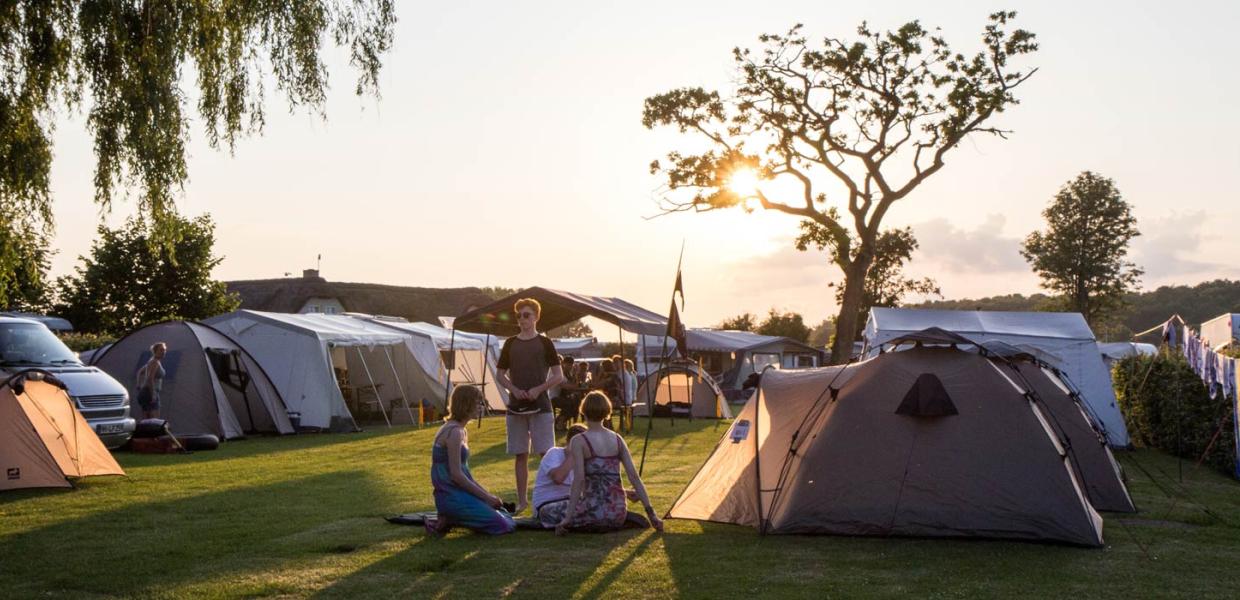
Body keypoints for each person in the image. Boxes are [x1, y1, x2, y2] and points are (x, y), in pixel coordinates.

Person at [556, 391, 663, 534]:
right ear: (607, 412)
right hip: (617, 513)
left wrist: (567, 519)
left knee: (548, 512)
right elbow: (634, 477)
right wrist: (652, 514)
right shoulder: (618, 440)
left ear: (584, 411)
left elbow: (579, 480)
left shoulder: (579, 441)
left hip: (593, 512)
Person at [496, 298, 566, 515]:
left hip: (541, 406)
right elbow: (500, 375)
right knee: (520, 454)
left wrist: (538, 389)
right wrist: (514, 390)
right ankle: (522, 501)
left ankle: (548, 498)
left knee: (546, 454)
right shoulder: (510, 343)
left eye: (526, 315)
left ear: (536, 317)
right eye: (519, 316)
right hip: (516, 406)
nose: (522, 319)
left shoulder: (545, 343)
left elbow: (558, 376)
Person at [426, 385, 515, 536]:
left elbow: (465, 473)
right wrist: (486, 497)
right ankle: (450, 517)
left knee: (502, 512)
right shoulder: (453, 432)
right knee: (503, 525)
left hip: (457, 492)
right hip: (450, 495)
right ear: (466, 404)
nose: (481, 406)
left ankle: (449, 519)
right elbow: (456, 475)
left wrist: (488, 496)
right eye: (478, 403)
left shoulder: (461, 430)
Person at [533, 424, 587, 528]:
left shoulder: (584, 459)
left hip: (571, 502)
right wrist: (574, 455)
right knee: (587, 511)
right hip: (547, 504)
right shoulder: (554, 453)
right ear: (568, 442)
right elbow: (558, 478)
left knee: (596, 505)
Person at [135, 342, 167, 419]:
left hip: (145, 392)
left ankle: (143, 431)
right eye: (161, 350)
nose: (163, 352)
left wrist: (139, 385)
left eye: (164, 350)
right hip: (150, 393)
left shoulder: (152, 361)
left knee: (146, 419)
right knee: (154, 420)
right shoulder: (155, 362)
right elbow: (150, 378)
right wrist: (153, 395)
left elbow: (140, 372)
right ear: (155, 351)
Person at [620, 358, 638, 433]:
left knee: (627, 413)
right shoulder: (632, 374)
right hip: (632, 396)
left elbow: (632, 387)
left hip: (630, 396)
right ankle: (627, 426)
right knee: (627, 413)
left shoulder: (629, 375)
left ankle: (627, 427)